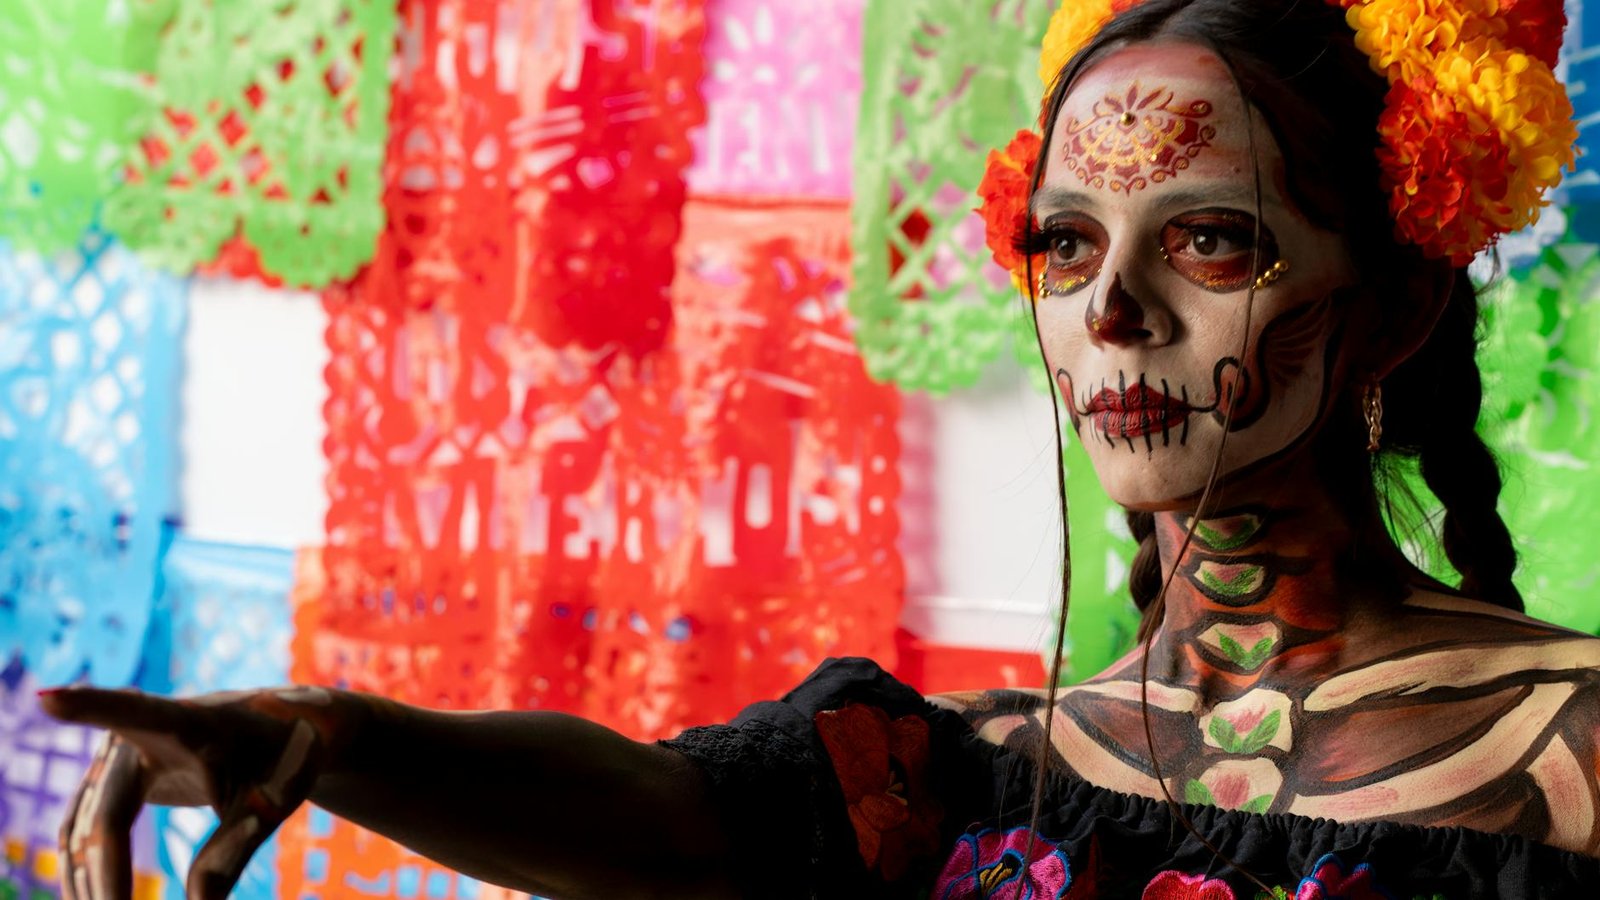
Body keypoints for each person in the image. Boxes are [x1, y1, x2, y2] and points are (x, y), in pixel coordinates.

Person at [41, 1, 1600, 897]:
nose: (1112, 312)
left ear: (1393, 307)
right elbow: (665, 811)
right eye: (1064, 245)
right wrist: (334, 737)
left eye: (1207, 240)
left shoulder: (1573, 747)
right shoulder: (971, 772)